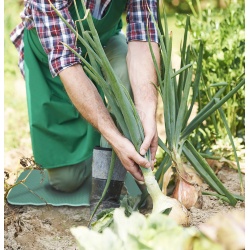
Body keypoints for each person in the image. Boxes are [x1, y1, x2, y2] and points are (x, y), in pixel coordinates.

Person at [10, 0, 160, 211]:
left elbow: (144, 38)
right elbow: (67, 65)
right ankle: (103, 152)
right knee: (66, 181)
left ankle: (107, 192)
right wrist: (114, 138)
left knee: (124, 75)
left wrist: (147, 110)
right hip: (53, 58)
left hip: (103, 42)